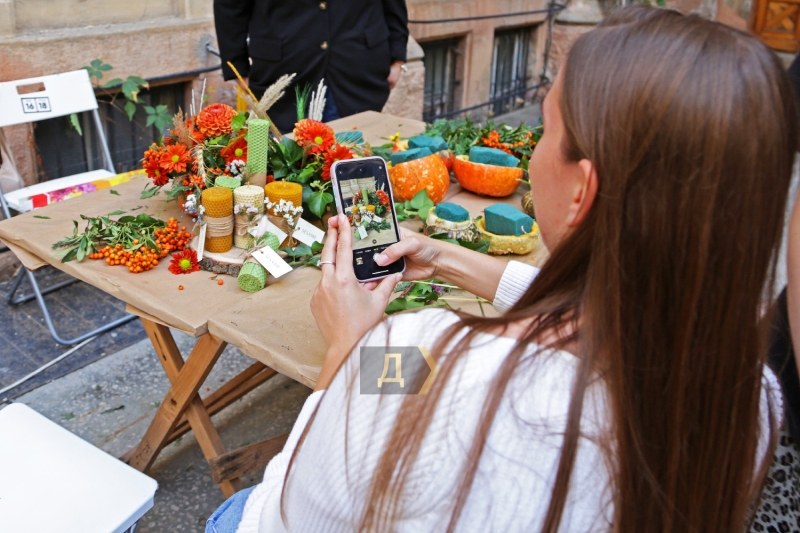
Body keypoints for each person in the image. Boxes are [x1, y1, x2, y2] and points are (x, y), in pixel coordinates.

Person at [206, 8, 797, 533]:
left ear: (580, 191)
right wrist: (447, 259)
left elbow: (286, 515)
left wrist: (349, 348)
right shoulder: (749, 391)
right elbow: (610, 300)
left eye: (545, 130)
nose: (532, 151)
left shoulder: (415, 352)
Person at [213, 0, 409, 132]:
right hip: (282, 77)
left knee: (356, 171)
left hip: (357, 70)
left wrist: (398, 56)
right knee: (290, 179)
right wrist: (236, 67)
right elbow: (230, 6)